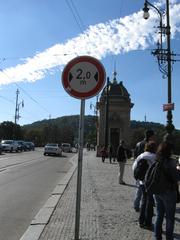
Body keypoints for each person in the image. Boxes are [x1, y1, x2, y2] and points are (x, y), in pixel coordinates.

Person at [153, 141, 180, 240]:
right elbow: (177, 178)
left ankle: (157, 236)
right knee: (169, 217)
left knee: (159, 215)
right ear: (169, 151)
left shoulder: (157, 160)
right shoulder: (172, 162)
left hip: (157, 190)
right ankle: (169, 238)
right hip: (169, 191)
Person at [133, 141, 157, 229]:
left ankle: (141, 221)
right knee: (150, 202)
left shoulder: (141, 155)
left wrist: (138, 179)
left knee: (144, 200)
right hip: (150, 182)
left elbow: (134, 167)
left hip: (142, 182)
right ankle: (148, 222)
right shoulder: (155, 157)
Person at [133, 129, 155, 212]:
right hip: (147, 170)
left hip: (138, 168)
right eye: (153, 136)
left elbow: (135, 156)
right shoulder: (149, 145)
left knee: (139, 187)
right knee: (146, 190)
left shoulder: (138, 143)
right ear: (150, 136)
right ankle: (145, 207)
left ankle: (136, 204)